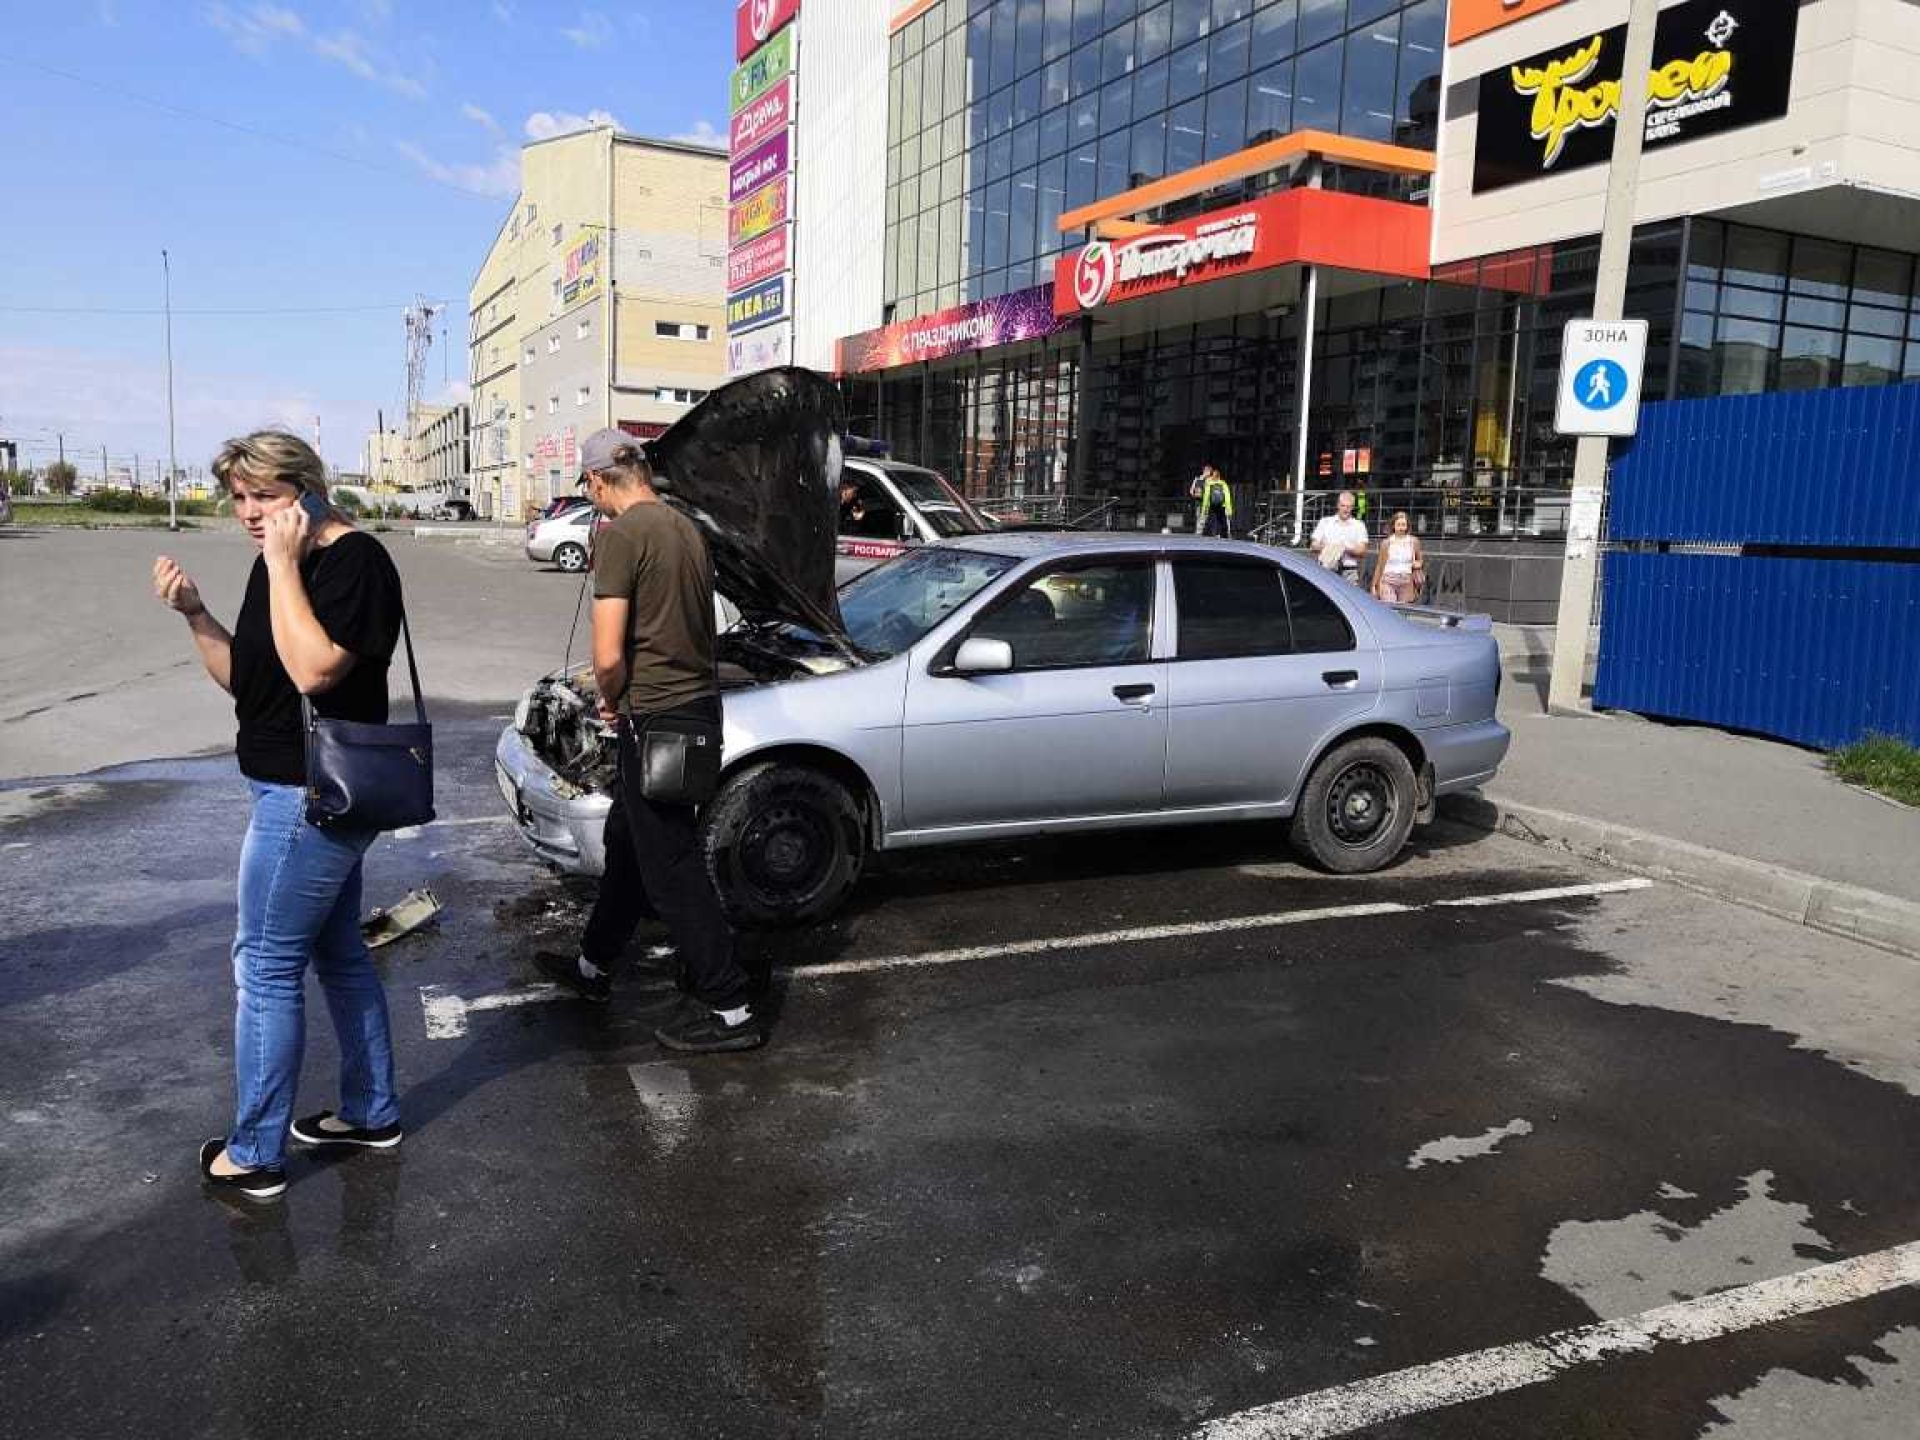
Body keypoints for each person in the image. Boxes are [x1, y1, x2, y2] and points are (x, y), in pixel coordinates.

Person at [153, 431, 406, 1202]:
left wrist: (285, 564)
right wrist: (196, 613)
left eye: (264, 495)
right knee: (339, 955)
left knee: (262, 966)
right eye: (237, 498)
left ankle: (256, 1151)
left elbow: (315, 670)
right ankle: (371, 1110)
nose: (249, 513)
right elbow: (254, 682)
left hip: (310, 799)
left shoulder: (355, 562)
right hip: (288, 788)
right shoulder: (276, 565)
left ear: (307, 487)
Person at [535, 429, 762, 1054]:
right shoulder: (683, 527)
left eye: (590, 487)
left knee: (670, 867)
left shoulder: (624, 534)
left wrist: (609, 696)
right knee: (631, 845)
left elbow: (608, 653)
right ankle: (594, 968)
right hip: (693, 712)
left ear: (599, 481)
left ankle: (731, 1007)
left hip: (655, 717)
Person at [1311, 490, 1369, 585]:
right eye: (1343, 506)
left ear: (1352, 507)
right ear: (1338, 505)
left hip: (1349, 571)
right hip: (1326, 570)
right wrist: (1330, 548)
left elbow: (1362, 551)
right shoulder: (1325, 522)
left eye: (1348, 506)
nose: (1345, 509)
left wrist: (1344, 549)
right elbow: (1313, 545)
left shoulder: (1359, 525)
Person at [1372, 511, 1425, 605]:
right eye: (1399, 524)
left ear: (1407, 526)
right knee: (1390, 609)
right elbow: (1380, 565)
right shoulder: (1387, 543)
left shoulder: (1413, 541)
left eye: (1403, 525)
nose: (1401, 528)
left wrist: (1418, 563)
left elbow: (1420, 560)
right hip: (1388, 579)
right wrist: (1374, 585)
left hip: (1406, 580)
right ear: (1393, 526)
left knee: (1403, 611)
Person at [1191, 463, 1233, 538]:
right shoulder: (1223, 483)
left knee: (1207, 523)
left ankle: (1205, 537)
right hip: (1221, 506)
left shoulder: (1206, 483)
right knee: (1222, 523)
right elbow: (1227, 497)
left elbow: (1204, 497)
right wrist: (1229, 510)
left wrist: (1204, 509)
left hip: (1209, 506)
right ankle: (1223, 536)